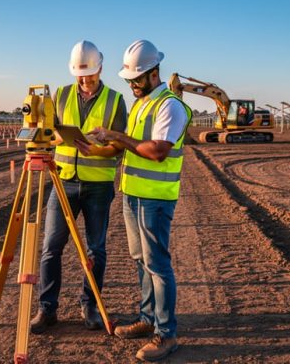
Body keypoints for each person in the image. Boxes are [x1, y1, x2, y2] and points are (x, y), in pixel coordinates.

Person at [89, 40, 192, 362]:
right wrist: (94, 146)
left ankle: (166, 334)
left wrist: (117, 135)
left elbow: (157, 151)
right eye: (129, 80)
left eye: (137, 78)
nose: (132, 84)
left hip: (155, 199)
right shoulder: (143, 103)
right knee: (140, 260)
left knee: (158, 265)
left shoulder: (170, 106)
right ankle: (148, 320)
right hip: (133, 194)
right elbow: (130, 148)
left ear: (154, 73)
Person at [30, 40, 127, 334]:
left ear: (100, 68)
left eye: (90, 74)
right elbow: (48, 135)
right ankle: (47, 309)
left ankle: (91, 305)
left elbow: (119, 146)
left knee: (95, 249)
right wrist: (57, 138)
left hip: (98, 186)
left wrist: (97, 150)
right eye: (80, 75)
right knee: (51, 247)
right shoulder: (60, 96)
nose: (85, 81)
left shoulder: (115, 100)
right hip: (64, 182)